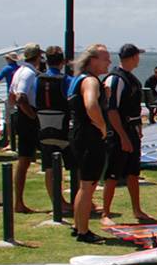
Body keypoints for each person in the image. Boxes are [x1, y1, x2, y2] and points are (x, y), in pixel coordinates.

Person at [100, 43, 155, 227]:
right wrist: (122, 136)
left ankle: (137, 209)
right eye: (137, 56)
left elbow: (134, 108)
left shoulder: (131, 79)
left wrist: (137, 128)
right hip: (118, 132)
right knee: (113, 173)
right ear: (132, 57)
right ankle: (105, 212)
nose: (139, 59)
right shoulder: (116, 79)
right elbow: (112, 110)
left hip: (131, 129)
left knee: (133, 172)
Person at [68, 44, 111, 242]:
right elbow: (91, 105)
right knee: (88, 185)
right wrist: (102, 126)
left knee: (84, 185)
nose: (109, 62)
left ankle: (78, 226)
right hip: (89, 136)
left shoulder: (78, 79)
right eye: (105, 58)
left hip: (78, 134)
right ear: (93, 60)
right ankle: (83, 231)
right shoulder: (91, 81)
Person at [7, 43, 44, 214]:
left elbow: (11, 96)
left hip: (20, 116)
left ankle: (19, 201)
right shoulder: (28, 73)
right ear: (37, 57)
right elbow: (21, 97)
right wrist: (33, 117)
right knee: (28, 160)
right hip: (28, 117)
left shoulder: (18, 72)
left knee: (24, 160)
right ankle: (19, 203)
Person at [37, 46, 74, 215]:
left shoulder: (38, 79)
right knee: (74, 166)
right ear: (63, 62)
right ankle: (70, 201)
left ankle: (56, 202)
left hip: (43, 125)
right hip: (62, 128)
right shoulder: (65, 80)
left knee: (49, 167)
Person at [0, 51, 20, 148]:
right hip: (20, 96)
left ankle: (10, 142)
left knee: (8, 119)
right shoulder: (20, 69)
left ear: (9, 59)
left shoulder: (7, 69)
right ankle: (18, 140)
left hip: (11, 96)